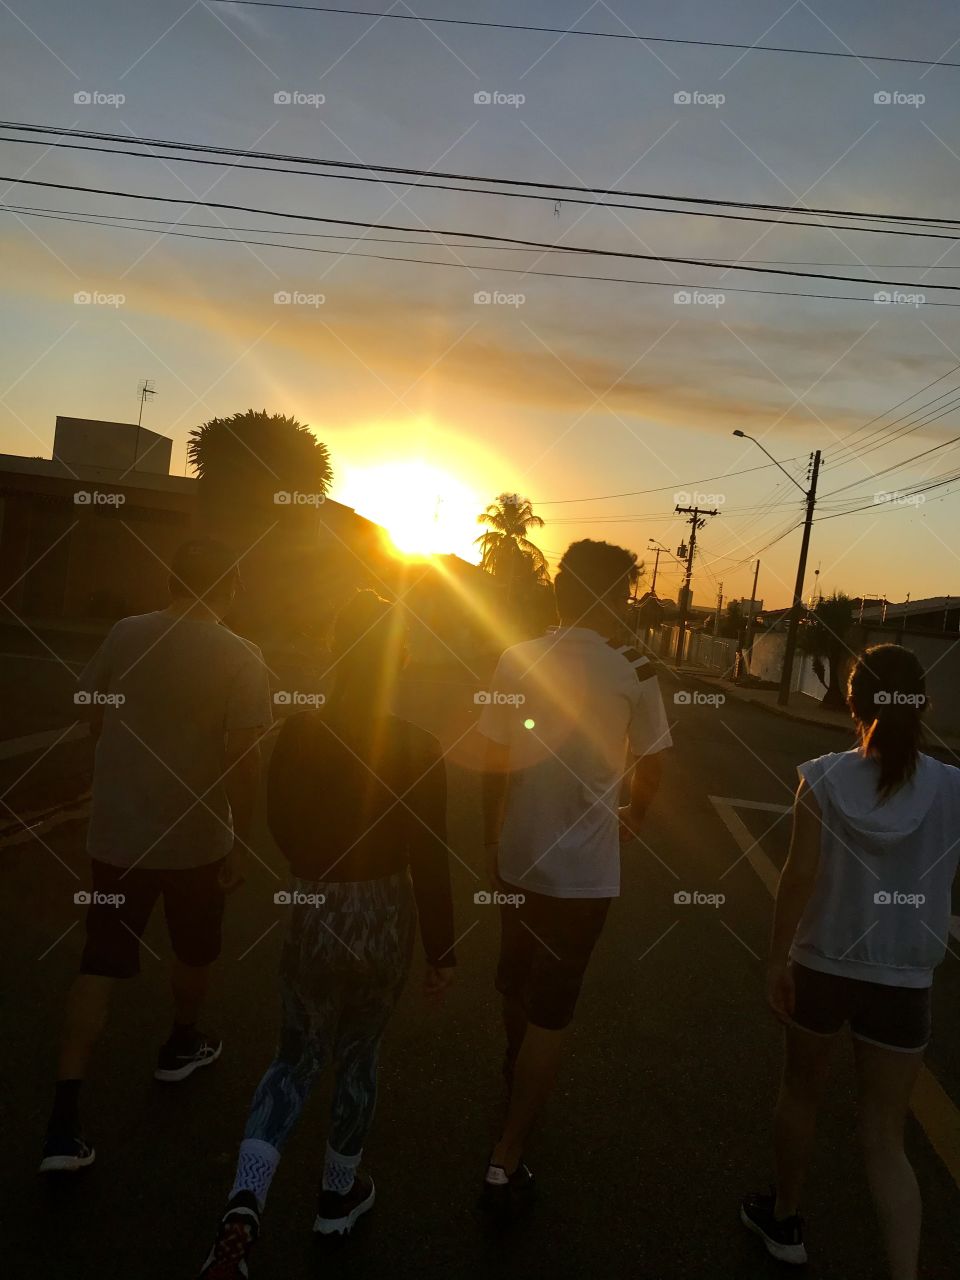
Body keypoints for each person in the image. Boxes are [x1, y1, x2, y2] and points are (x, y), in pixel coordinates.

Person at [200, 590, 456, 1278]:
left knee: (295, 1056)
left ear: (335, 650)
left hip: (314, 906)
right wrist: (443, 951)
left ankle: (245, 1203)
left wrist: (314, 866)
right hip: (385, 916)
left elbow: (279, 821)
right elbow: (432, 855)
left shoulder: (298, 733)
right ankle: (336, 1197)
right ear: (401, 660)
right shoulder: (420, 746)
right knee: (359, 1055)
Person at [40, 538, 272, 1174]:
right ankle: (180, 1043)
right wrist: (244, 840)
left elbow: (89, 708)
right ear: (231, 588)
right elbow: (245, 757)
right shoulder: (241, 655)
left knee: (100, 961)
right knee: (194, 950)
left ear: (172, 580)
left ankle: (63, 1121)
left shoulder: (126, 633)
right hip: (196, 840)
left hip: (118, 836)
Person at [742, 644, 960, 1278]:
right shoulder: (952, 789)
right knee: (886, 1138)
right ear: (923, 704)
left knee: (800, 1094)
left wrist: (776, 959)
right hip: (905, 979)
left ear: (852, 703)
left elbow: (798, 876)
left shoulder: (822, 778)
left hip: (823, 965)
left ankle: (785, 1220)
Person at [477, 539, 671, 1211]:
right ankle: (507, 1154)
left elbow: (492, 758)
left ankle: (516, 1067)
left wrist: (491, 838)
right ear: (613, 597)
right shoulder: (635, 669)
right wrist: (634, 815)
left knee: (513, 979)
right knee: (553, 1007)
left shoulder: (516, 657)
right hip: (586, 874)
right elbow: (653, 759)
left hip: (517, 858)